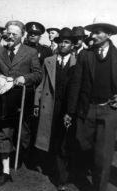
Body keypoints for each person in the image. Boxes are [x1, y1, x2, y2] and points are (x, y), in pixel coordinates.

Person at [64, 16, 117, 191]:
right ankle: (83, 174)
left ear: (108, 34)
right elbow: (76, 83)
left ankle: (99, 188)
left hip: (109, 111)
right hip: (87, 109)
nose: (92, 35)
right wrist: (70, 112)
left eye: (97, 32)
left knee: (103, 155)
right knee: (82, 144)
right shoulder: (85, 55)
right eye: (92, 32)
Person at [0, 20, 42, 187]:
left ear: (22, 35)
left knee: (22, 134)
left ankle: (21, 159)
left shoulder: (31, 52)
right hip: (2, 99)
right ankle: (5, 171)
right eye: (8, 33)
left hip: (22, 99)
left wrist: (25, 78)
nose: (10, 36)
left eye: (14, 34)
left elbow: (38, 74)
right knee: (3, 132)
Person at [34, 28, 77, 191]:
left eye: (67, 42)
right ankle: (50, 167)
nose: (63, 45)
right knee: (50, 135)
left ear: (72, 45)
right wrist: (37, 103)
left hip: (67, 106)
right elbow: (42, 83)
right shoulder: (49, 60)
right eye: (60, 42)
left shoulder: (77, 62)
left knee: (63, 140)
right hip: (49, 104)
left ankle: (61, 178)